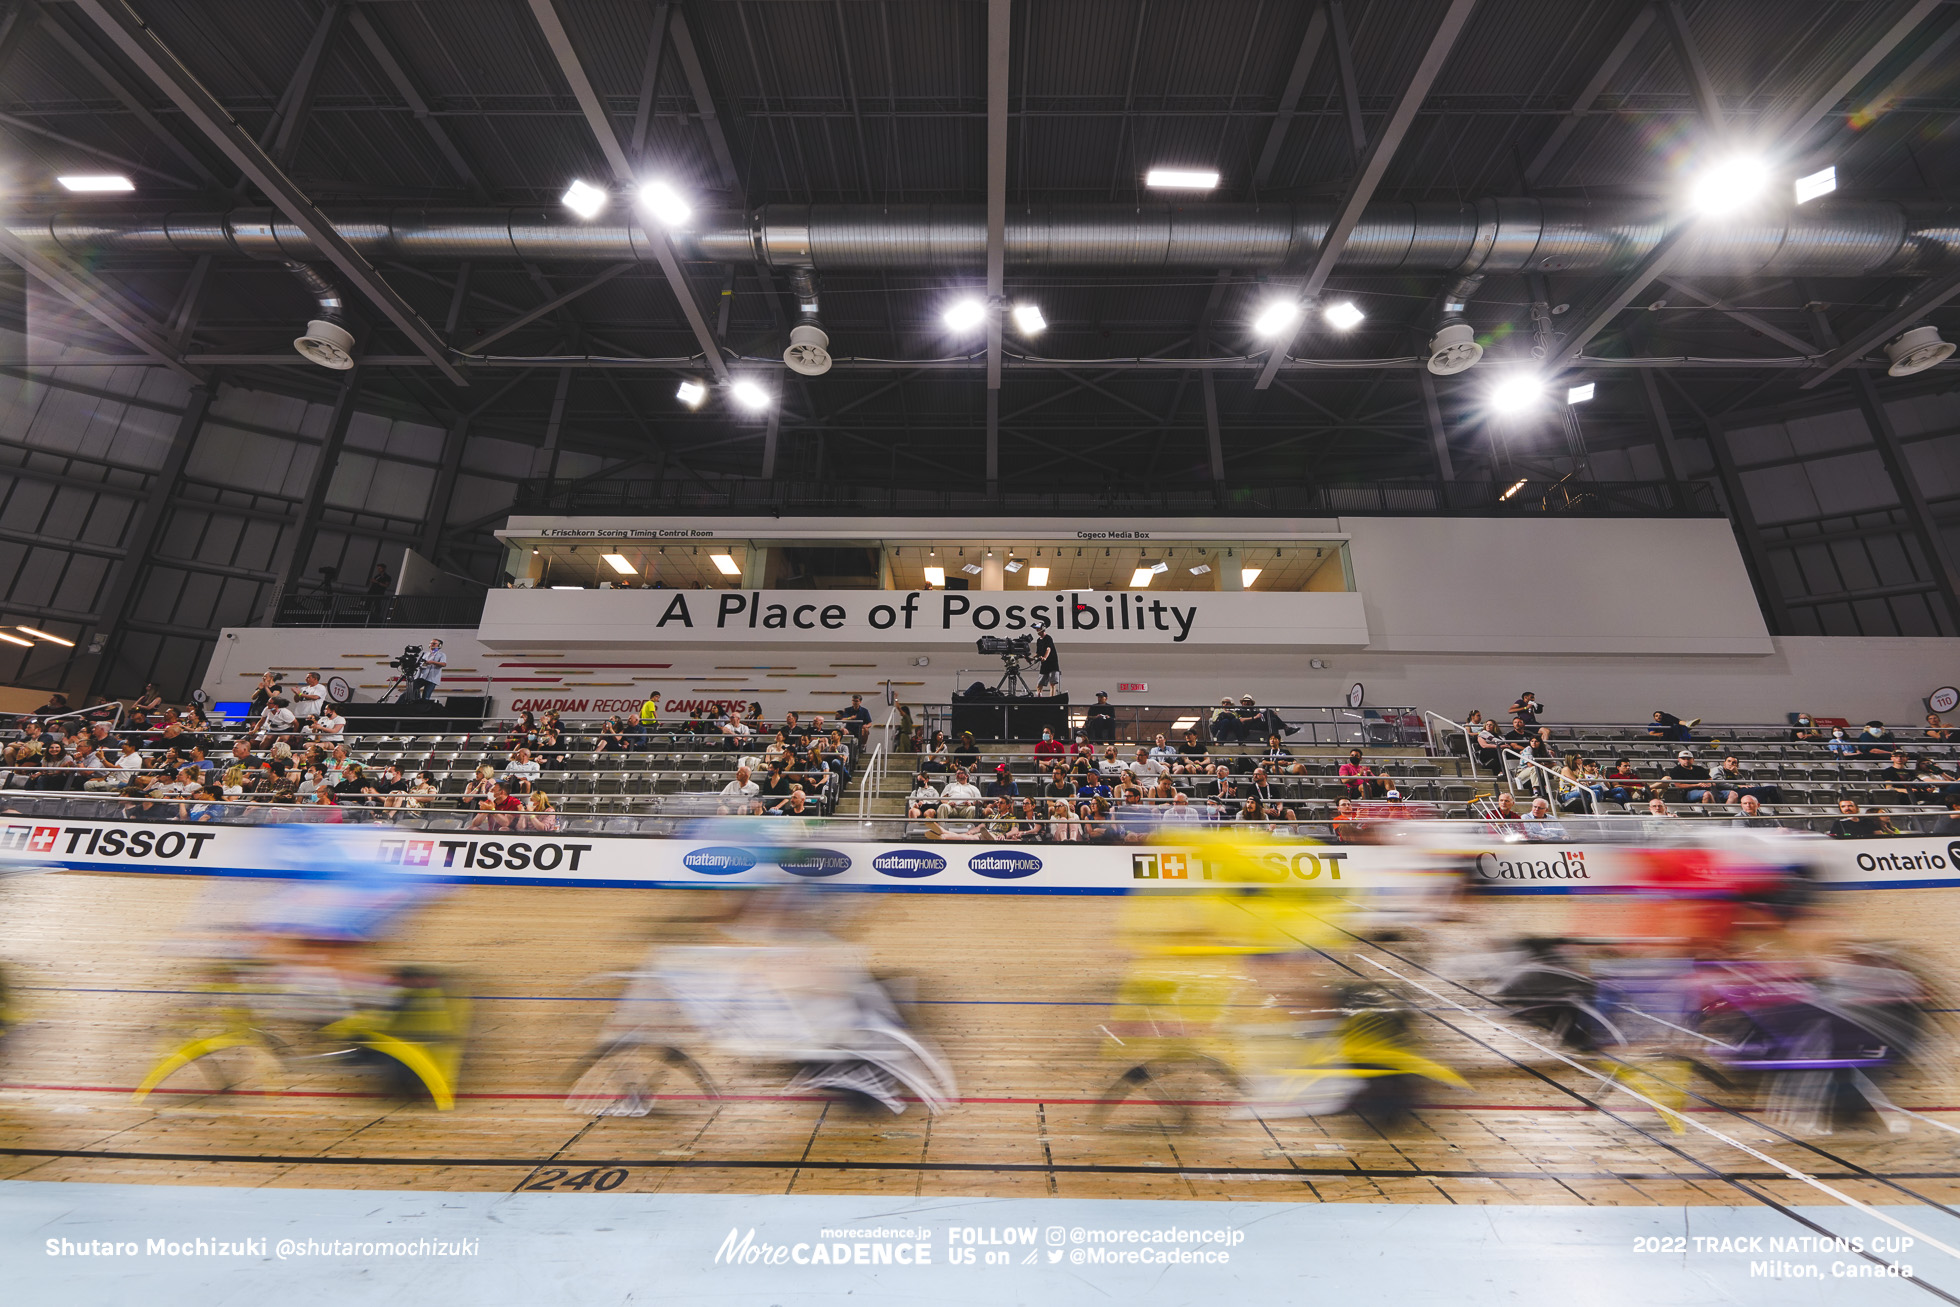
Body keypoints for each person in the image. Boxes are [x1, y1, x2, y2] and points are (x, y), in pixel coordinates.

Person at [409, 638, 446, 704]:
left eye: (434, 643)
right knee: (410, 691)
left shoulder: (441, 655)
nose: (432, 645)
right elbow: (418, 663)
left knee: (426, 697)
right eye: (431, 643)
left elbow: (443, 664)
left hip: (432, 678)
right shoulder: (425, 654)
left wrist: (432, 662)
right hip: (421, 676)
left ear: (439, 645)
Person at [1032, 620, 1060, 696]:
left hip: (1052, 663)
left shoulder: (1048, 638)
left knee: (1052, 683)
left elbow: (1048, 648)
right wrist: (1032, 658)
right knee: (1040, 683)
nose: (1037, 631)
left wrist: (1044, 657)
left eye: (1038, 629)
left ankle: (1052, 698)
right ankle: (1039, 697)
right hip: (1044, 665)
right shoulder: (1038, 640)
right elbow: (1038, 653)